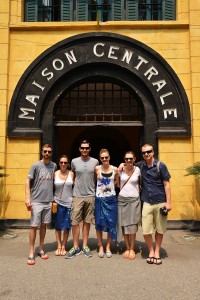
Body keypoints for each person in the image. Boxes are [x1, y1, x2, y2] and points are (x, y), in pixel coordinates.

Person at [138, 144, 172, 265]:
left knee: (160, 229)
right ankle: (150, 251)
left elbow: (167, 184)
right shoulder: (141, 166)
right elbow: (129, 165)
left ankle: (156, 252)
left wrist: (169, 203)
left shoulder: (160, 166)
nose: (146, 154)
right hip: (147, 201)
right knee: (146, 230)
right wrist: (122, 165)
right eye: (144, 152)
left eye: (148, 151)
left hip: (160, 201)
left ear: (153, 152)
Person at [65, 140, 99, 259]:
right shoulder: (74, 161)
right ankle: (75, 246)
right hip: (77, 195)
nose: (84, 150)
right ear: (79, 149)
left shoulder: (95, 161)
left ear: (90, 149)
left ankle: (85, 245)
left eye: (86, 148)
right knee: (75, 221)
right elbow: (73, 176)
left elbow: (96, 177)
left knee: (87, 221)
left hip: (90, 195)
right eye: (82, 148)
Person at [25, 144, 57, 265]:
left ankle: (41, 248)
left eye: (49, 151)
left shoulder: (54, 166)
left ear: (51, 152)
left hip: (48, 201)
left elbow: (54, 182)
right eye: (45, 151)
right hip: (37, 201)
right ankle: (31, 251)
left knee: (43, 226)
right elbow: (28, 180)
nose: (47, 153)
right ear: (41, 152)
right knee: (34, 226)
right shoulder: (36, 165)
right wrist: (28, 197)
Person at [95, 149, 119, 258]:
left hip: (111, 199)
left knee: (111, 223)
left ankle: (108, 246)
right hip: (100, 199)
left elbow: (117, 183)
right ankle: (100, 246)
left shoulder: (115, 169)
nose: (104, 159)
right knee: (99, 224)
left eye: (106, 157)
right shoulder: (96, 169)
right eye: (102, 158)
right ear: (100, 159)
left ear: (109, 157)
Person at [117, 151, 141, 260]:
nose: (129, 161)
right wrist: (120, 166)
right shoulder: (120, 170)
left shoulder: (138, 170)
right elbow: (117, 183)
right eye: (126, 159)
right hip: (122, 199)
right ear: (124, 159)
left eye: (131, 159)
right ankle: (127, 247)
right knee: (124, 224)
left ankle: (132, 248)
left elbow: (141, 184)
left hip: (134, 200)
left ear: (134, 159)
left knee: (132, 225)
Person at [53, 155, 74, 256]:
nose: (63, 164)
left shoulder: (71, 174)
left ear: (68, 164)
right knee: (58, 226)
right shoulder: (55, 174)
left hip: (69, 203)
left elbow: (74, 188)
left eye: (65, 162)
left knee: (66, 226)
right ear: (59, 163)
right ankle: (58, 245)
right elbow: (51, 188)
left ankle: (63, 246)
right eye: (61, 162)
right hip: (58, 203)